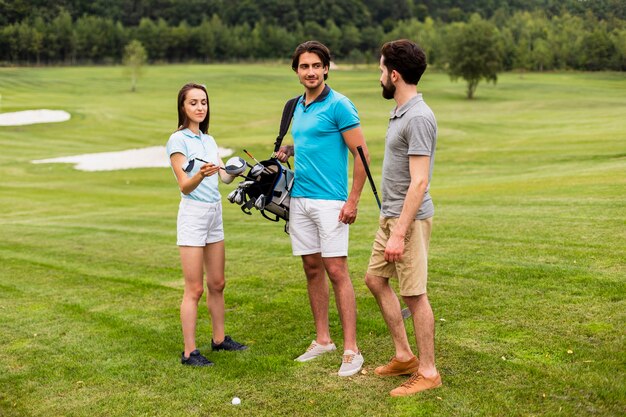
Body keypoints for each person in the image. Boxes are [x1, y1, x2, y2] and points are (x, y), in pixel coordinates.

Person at [275, 41, 369, 377]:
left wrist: (353, 201)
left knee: (337, 270)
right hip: (300, 199)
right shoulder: (296, 107)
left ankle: (351, 350)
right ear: (297, 71)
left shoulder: (340, 105)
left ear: (326, 68)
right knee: (312, 269)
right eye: (304, 66)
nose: (311, 72)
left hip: (332, 203)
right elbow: (312, 142)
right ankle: (323, 340)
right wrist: (290, 148)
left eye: (316, 65)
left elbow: (362, 157)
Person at [364, 39, 441, 396]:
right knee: (375, 280)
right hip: (391, 216)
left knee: (415, 294)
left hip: (407, 221)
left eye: (381, 70)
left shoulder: (420, 117)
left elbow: (420, 181)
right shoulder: (400, 112)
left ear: (395, 75)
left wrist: (399, 233)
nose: (379, 76)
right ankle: (404, 355)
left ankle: (427, 371)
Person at [166, 83, 247, 367]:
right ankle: (189, 353)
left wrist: (235, 172)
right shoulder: (178, 141)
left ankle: (219, 339)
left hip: (214, 214)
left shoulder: (208, 141)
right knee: (195, 289)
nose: (200, 107)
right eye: (193, 103)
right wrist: (201, 174)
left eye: (204, 102)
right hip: (193, 215)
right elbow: (185, 186)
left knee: (218, 282)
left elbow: (223, 178)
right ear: (183, 107)